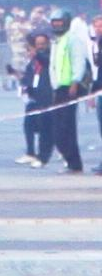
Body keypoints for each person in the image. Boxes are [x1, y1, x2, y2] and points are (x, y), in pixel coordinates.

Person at [46, 9, 90, 173]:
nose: (57, 24)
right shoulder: (57, 41)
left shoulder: (73, 40)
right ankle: (69, 159)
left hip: (70, 88)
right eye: (54, 21)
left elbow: (78, 61)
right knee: (58, 128)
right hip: (59, 88)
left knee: (66, 127)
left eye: (60, 21)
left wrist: (75, 82)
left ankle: (74, 163)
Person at [13, 31, 54, 166]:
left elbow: (45, 60)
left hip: (46, 95)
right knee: (28, 125)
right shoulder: (32, 60)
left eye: (42, 44)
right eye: (37, 44)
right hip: (32, 96)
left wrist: (35, 53)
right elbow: (29, 75)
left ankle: (43, 156)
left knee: (44, 127)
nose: (39, 47)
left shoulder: (49, 56)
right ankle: (30, 152)